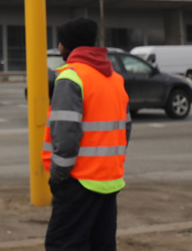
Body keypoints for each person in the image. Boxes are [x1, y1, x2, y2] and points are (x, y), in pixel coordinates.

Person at [43, 18, 131, 251]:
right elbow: (125, 130)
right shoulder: (115, 79)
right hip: (109, 180)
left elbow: (66, 136)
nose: (58, 46)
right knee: (101, 245)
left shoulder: (71, 77)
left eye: (60, 42)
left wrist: (58, 177)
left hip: (77, 181)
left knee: (62, 245)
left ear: (68, 45)